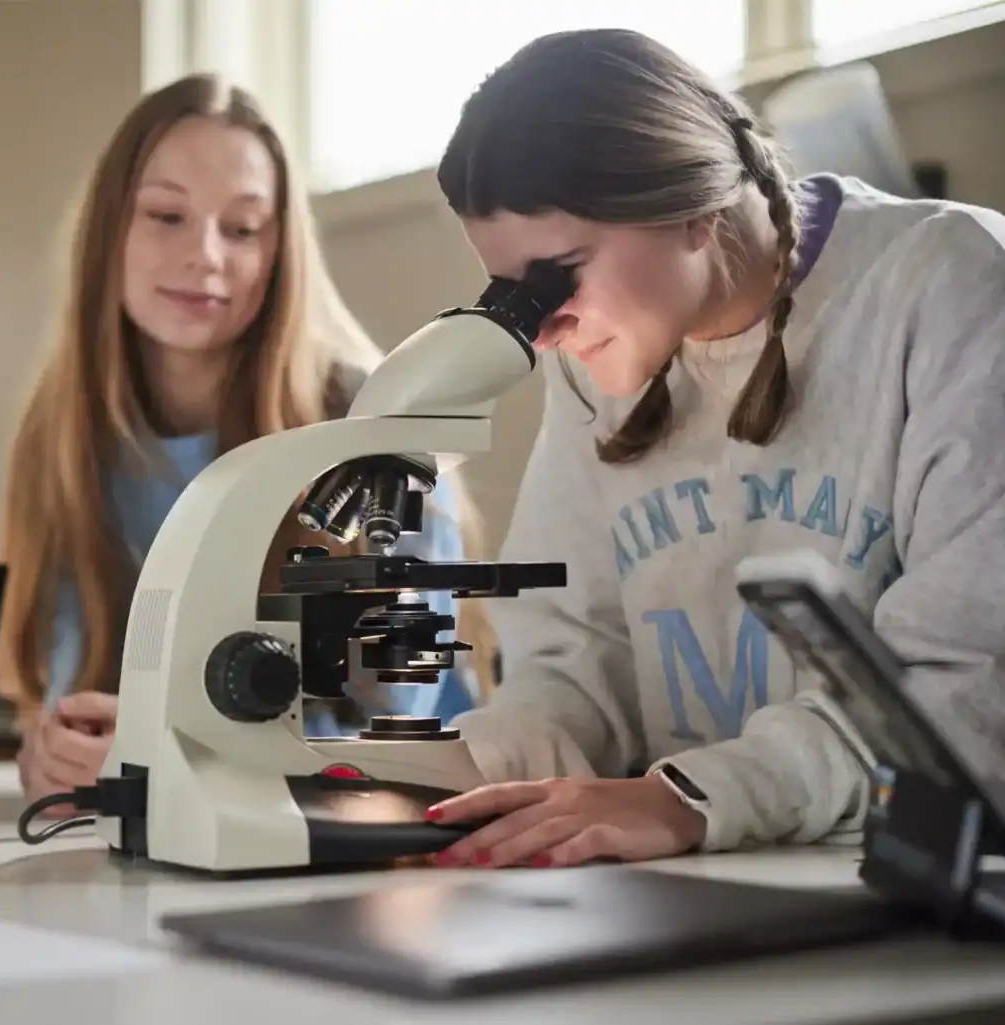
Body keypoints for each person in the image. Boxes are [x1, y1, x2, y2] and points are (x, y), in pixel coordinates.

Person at [423, 29, 1005, 868]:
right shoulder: (599, 361)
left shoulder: (946, 284)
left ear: (691, 208)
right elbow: (576, 662)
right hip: (718, 872)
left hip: (912, 876)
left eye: (560, 275)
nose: (542, 332)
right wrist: (457, 772)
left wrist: (688, 798)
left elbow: (965, 692)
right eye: (516, 295)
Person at [0, 73, 489, 807]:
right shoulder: (62, 439)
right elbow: (68, 691)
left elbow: (393, 721)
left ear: (278, 252)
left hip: (399, 823)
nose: (206, 255)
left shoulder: (373, 427)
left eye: (243, 228)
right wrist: (58, 752)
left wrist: (172, 747)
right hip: (175, 831)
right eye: (166, 215)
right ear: (108, 233)